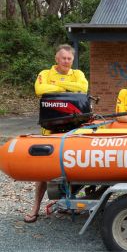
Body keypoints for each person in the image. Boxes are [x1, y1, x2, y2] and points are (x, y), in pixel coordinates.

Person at [25, 44, 89, 223]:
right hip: (49, 131)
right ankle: (35, 208)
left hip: (72, 130)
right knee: (43, 174)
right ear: (56, 58)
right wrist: (68, 88)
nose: (66, 61)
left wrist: (56, 85)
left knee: (72, 169)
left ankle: (67, 205)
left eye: (69, 59)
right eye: (63, 58)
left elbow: (82, 88)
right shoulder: (45, 74)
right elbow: (40, 89)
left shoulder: (78, 74)